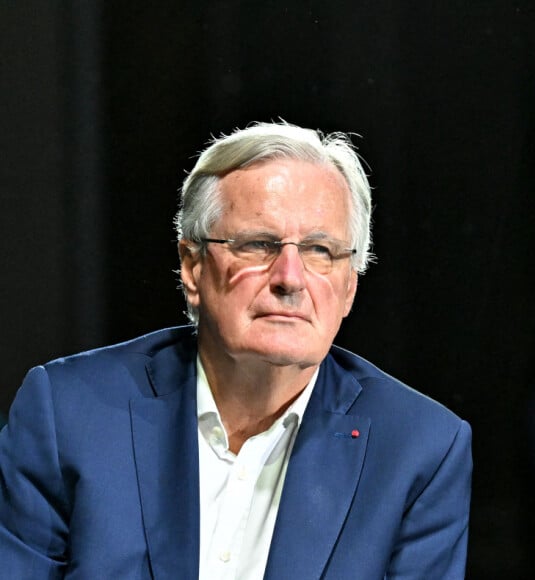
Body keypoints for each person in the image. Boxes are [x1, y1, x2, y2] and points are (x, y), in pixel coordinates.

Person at [0, 121, 472, 579]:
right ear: (192, 267)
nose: (290, 277)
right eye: (258, 245)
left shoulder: (419, 450)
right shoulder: (67, 414)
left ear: (349, 286)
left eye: (320, 251)